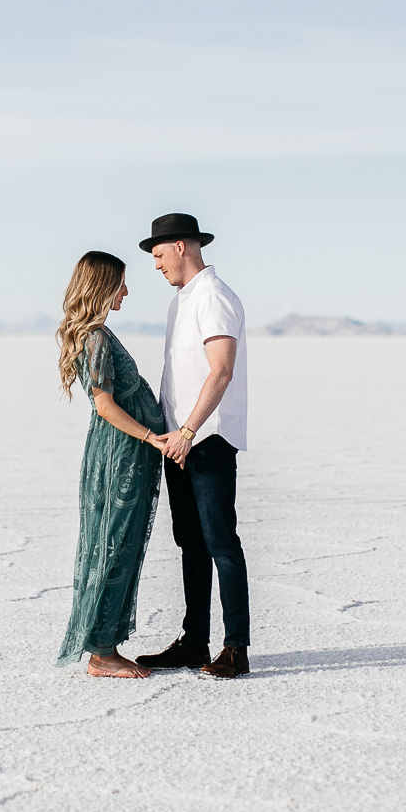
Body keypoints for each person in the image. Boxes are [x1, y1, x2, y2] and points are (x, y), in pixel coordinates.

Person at [134, 213, 252, 679]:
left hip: (208, 439)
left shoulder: (215, 297)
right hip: (178, 441)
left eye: (159, 255)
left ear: (182, 246)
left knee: (222, 542)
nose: (156, 265)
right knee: (190, 543)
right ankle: (195, 641)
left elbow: (220, 371)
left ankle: (236, 648)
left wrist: (188, 431)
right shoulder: (180, 301)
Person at [54, 250, 170, 678]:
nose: (126, 290)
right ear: (101, 286)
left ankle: (106, 646)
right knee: (113, 546)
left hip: (125, 452)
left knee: (118, 543)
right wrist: (149, 436)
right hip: (120, 454)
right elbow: (104, 405)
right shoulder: (96, 338)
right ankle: (102, 652)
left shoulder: (98, 332)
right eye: (120, 282)